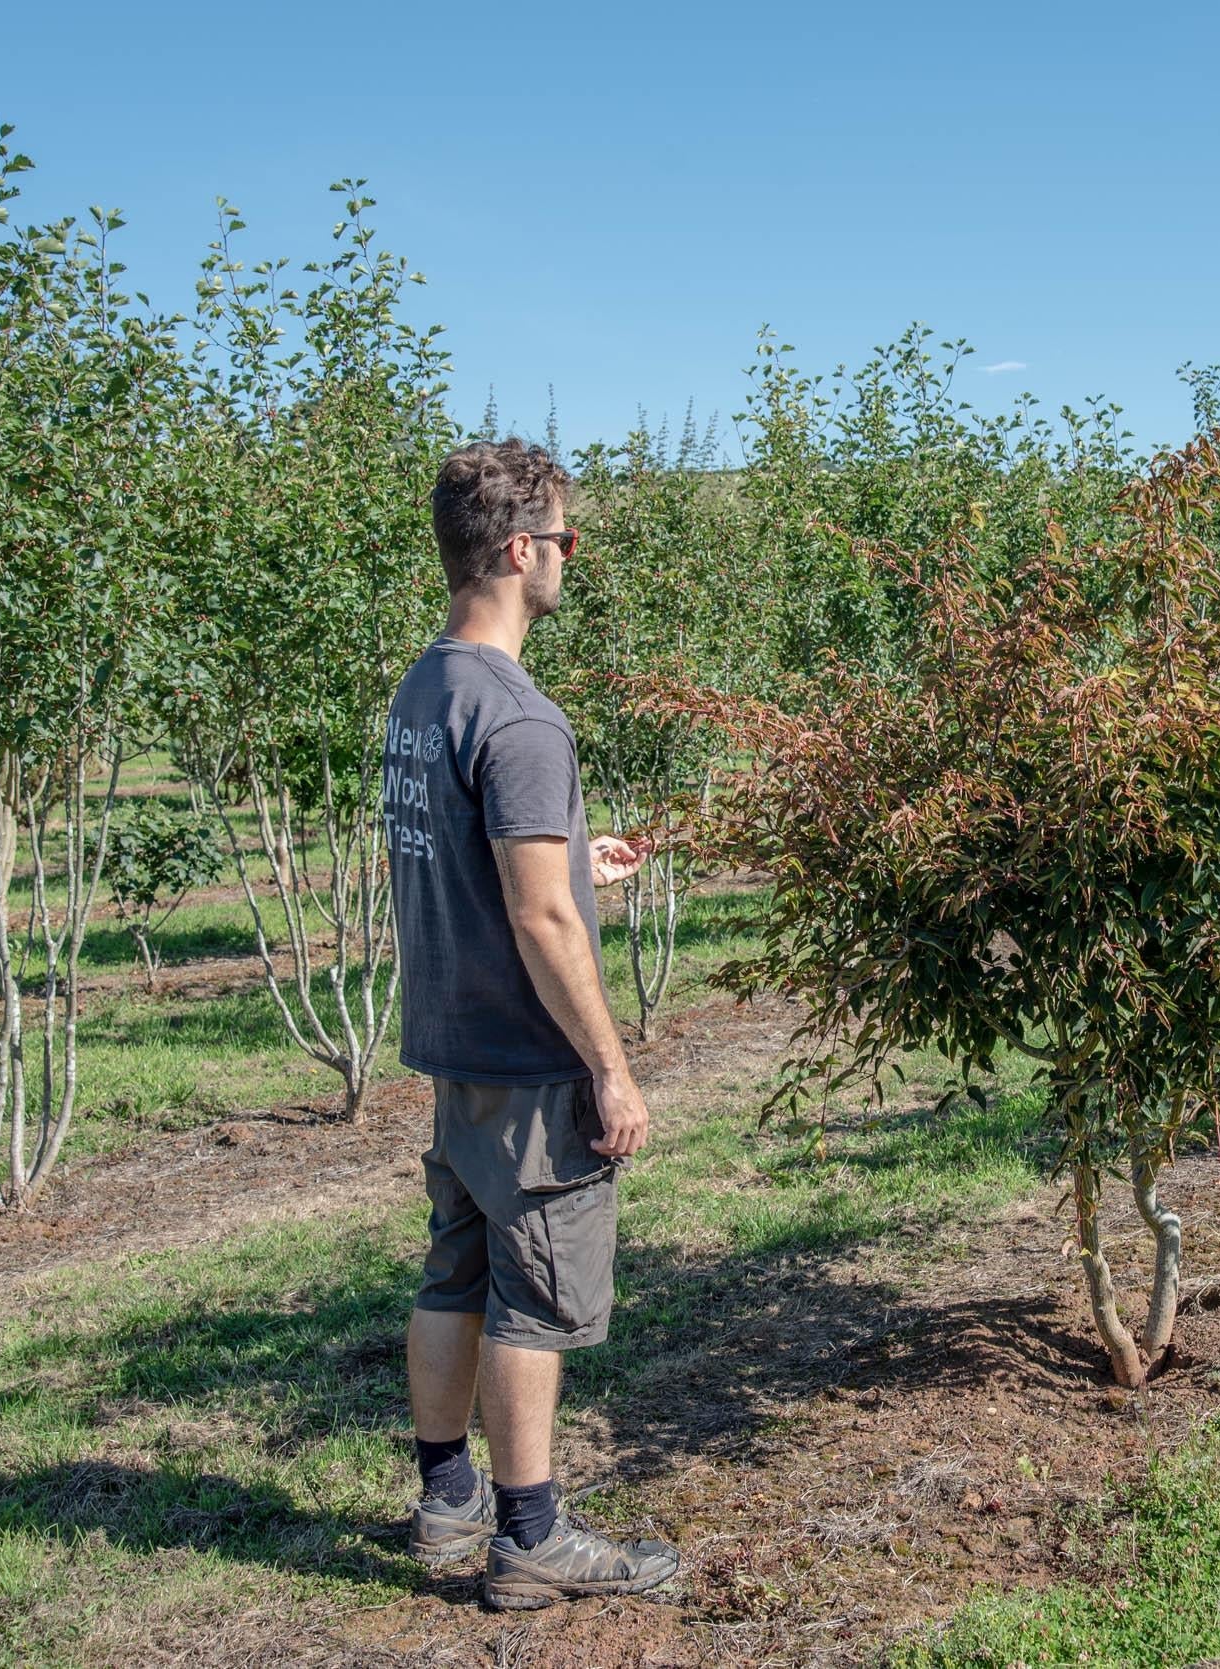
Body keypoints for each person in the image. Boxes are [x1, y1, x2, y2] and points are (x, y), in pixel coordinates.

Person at [382, 437, 680, 1610]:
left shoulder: (426, 686)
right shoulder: (523, 718)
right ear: (519, 551)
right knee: (533, 1298)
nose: (571, 557)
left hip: (454, 1046)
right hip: (528, 1061)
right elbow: (538, 916)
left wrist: (567, 863)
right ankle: (530, 1536)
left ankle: (445, 1494)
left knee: (453, 1272)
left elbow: (496, 868)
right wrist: (609, 1067)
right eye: (565, 538)